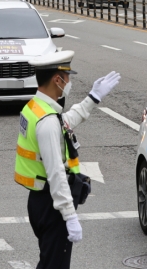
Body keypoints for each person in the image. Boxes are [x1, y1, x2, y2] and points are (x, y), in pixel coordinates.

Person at [15, 51, 120, 269]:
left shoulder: (35, 108)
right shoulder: (47, 121)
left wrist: (93, 98)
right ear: (57, 79)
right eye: (67, 77)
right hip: (51, 208)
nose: (69, 82)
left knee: (48, 263)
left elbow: (66, 121)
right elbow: (56, 173)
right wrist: (69, 215)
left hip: (39, 201)